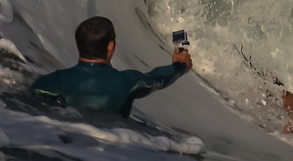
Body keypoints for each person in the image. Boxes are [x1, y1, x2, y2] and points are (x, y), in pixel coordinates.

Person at [31, 15, 193, 117]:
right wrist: (180, 65)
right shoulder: (126, 82)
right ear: (111, 47)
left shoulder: (49, 83)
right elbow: (157, 79)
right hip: (110, 155)